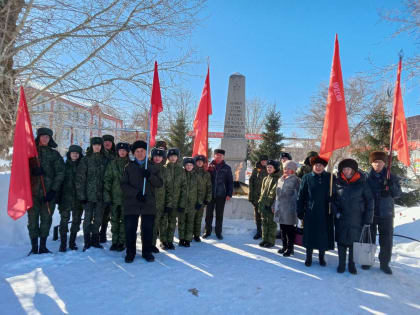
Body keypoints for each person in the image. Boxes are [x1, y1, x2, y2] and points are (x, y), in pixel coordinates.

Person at [120, 140, 163, 263]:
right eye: (137, 151)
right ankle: (130, 252)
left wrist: (150, 176)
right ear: (134, 153)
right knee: (130, 229)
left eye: (142, 151)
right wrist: (136, 193)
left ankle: (147, 252)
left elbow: (159, 183)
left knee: (147, 229)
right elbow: (123, 185)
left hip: (148, 203)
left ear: (146, 152)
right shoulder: (128, 167)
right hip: (132, 203)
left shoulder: (152, 167)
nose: (140, 153)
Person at [28, 128, 65, 255]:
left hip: (48, 194)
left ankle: (43, 246)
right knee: (32, 221)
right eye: (43, 136)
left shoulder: (54, 154)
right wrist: (32, 171)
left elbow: (61, 173)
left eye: (47, 137)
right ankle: (34, 248)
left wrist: (53, 191)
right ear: (39, 138)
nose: (45, 139)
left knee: (46, 220)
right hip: (32, 194)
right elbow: (21, 170)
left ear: (50, 139)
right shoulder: (31, 153)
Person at [334, 158, 374, 274]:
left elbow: (370, 201)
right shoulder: (337, 182)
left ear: (353, 170)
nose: (346, 171)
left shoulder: (362, 183)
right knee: (341, 242)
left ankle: (351, 265)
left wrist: (368, 219)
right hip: (341, 218)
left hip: (357, 218)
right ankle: (341, 264)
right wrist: (336, 212)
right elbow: (334, 200)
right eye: (344, 169)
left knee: (354, 243)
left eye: (348, 169)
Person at [365, 151, 402, 275]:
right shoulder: (366, 177)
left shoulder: (391, 176)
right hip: (371, 213)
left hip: (386, 214)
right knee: (368, 239)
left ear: (384, 163)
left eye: (380, 162)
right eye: (375, 162)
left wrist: (391, 186)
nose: (377, 164)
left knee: (386, 240)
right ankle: (367, 260)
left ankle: (384, 263)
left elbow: (397, 194)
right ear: (371, 163)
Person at [297, 156, 334, 267]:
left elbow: (336, 192)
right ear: (313, 166)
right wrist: (300, 210)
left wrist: (333, 199)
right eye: (316, 165)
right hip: (310, 211)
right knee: (310, 234)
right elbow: (301, 195)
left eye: (321, 165)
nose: (318, 167)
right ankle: (308, 257)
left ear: (324, 167)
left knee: (322, 234)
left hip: (325, 212)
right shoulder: (306, 177)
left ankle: (321, 257)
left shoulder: (330, 177)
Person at [76, 137, 109, 251]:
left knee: (98, 219)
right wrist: (82, 196)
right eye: (95, 145)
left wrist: (106, 195)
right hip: (88, 196)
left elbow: (108, 179)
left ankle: (95, 240)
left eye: (99, 145)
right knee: (87, 219)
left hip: (101, 196)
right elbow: (80, 179)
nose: (97, 147)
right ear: (91, 146)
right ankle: (87, 241)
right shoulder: (86, 160)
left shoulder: (105, 160)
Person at [103, 142, 130, 252]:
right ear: (117, 151)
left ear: (127, 152)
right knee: (114, 221)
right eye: (120, 150)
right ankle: (115, 242)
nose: (122, 152)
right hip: (114, 198)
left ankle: (122, 242)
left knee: (124, 221)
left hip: (126, 198)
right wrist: (107, 196)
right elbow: (107, 180)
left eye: (124, 150)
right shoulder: (112, 164)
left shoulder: (130, 164)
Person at [58, 145, 84, 252]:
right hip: (65, 199)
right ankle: (63, 244)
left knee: (76, 221)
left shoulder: (82, 167)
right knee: (64, 221)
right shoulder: (63, 166)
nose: (75, 154)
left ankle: (72, 242)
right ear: (69, 154)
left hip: (78, 199)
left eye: (77, 153)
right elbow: (59, 182)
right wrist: (58, 197)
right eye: (73, 152)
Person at [204, 149, 233, 240]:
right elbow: (205, 180)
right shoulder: (209, 166)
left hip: (221, 195)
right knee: (208, 214)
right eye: (217, 155)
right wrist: (207, 170)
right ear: (214, 155)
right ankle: (207, 231)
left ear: (223, 157)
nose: (218, 157)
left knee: (219, 214)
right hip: (210, 194)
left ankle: (218, 232)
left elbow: (230, 182)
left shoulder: (227, 168)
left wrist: (229, 194)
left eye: (220, 155)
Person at [160, 148, 186, 250]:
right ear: (167, 157)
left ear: (177, 157)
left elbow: (184, 187)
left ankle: (170, 241)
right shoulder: (164, 169)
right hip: (164, 201)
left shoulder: (181, 170)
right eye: (170, 156)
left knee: (172, 222)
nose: (173, 158)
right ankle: (163, 241)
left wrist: (182, 203)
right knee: (163, 222)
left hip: (176, 201)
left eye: (174, 156)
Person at [274, 160, 300, 256]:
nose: (286, 170)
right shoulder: (280, 179)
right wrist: (274, 206)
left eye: (289, 169)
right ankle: (284, 246)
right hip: (280, 208)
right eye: (285, 168)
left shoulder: (296, 180)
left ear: (293, 170)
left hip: (290, 209)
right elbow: (276, 195)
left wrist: (297, 208)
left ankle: (290, 248)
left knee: (290, 230)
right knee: (282, 229)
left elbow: (298, 195)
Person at [178, 157, 204, 247]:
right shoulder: (181, 175)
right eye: (187, 165)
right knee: (181, 222)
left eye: (191, 165)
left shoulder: (197, 176)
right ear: (184, 166)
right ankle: (181, 239)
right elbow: (177, 189)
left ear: (193, 166)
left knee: (190, 222)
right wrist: (178, 203)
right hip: (182, 203)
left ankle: (188, 239)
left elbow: (201, 191)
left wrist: (199, 202)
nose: (189, 167)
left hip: (192, 204)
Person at [258, 160, 280, 248]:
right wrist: (260, 202)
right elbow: (262, 192)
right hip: (264, 204)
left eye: (271, 167)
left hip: (271, 205)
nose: (269, 169)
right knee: (264, 222)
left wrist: (273, 205)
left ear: (275, 168)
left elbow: (276, 194)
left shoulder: (277, 179)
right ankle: (265, 239)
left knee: (271, 223)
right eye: (268, 167)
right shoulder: (266, 178)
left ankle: (271, 241)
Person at [149, 147, 167, 253]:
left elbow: (169, 187)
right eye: (155, 156)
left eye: (160, 156)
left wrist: (168, 203)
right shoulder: (148, 167)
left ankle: (155, 243)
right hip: (149, 200)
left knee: (158, 223)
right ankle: (148, 244)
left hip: (161, 201)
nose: (157, 158)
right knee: (148, 224)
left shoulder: (165, 170)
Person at [100, 134, 116, 243]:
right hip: (98, 188)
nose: (107, 143)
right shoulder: (98, 154)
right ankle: (95, 234)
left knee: (107, 214)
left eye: (109, 142)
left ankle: (103, 234)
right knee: (97, 214)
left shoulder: (115, 155)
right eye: (105, 141)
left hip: (111, 189)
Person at [193, 155, 212, 242]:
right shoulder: (191, 171)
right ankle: (188, 235)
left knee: (198, 218)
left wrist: (207, 199)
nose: (199, 163)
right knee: (190, 218)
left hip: (201, 200)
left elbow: (209, 187)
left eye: (201, 161)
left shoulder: (206, 174)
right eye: (198, 161)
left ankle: (196, 235)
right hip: (191, 200)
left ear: (204, 163)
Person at [248, 155, 268, 240]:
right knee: (257, 216)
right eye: (262, 160)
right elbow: (251, 182)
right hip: (256, 196)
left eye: (265, 160)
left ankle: (266, 233)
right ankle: (259, 232)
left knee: (266, 216)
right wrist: (251, 196)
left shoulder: (270, 169)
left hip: (266, 197)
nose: (264, 162)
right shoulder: (256, 170)